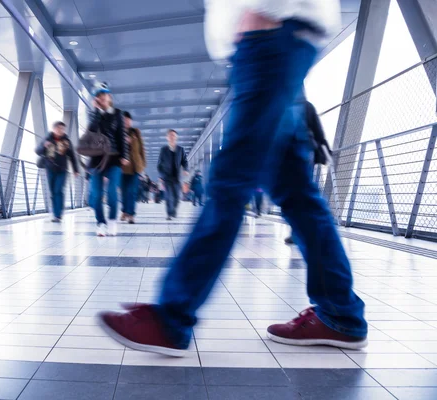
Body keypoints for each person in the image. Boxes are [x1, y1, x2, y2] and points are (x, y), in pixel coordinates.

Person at [98, 1, 368, 357]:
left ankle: (172, 316)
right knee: (297, 193)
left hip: (269, 37)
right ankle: (340, 313)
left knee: (228, 184)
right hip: (271, 41)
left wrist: (263, 12)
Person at [285, 99, 332, 244]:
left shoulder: (280, 102)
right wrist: (325, 150)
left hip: (288, 156)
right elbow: (318, 131)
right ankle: (305, 231)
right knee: (302, 194)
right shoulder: (307, 106)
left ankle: (298, 231)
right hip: (305, 154)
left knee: (293, 196)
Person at [87, 82, 130, 237]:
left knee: (112, 193)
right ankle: (101, 223)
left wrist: (125, 156)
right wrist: (97, 112)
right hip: (96, 160)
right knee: (96, 194)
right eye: (98, 95)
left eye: (104, 94)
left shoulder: (118, 114)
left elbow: (121, 137)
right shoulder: (93, 114)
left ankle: (112, 220)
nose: (101, 97)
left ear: (109, 96)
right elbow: (91, 131)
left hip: (113, 159)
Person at [36, 121, 79, 222]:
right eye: (59, 128)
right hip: (50, 169)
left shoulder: (66, 141)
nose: (61, 131)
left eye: (63, 129)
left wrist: (75, 169)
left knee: (58, 190)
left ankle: (58, 215)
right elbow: (37, 151)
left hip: (62, 170)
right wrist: (44, 146)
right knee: (52, 192)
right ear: (54, 129)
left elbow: (72, 155)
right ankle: (56, 213)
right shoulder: (47, 139)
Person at [120, 112, 146, 224]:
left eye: (128, 119)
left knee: (132, 191)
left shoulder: (136, 132)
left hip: (135, 166)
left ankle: (130, 214)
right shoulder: (117, 133)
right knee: (124, 192)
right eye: (124, 120)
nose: (126, 121)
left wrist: (143, 164)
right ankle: (125, 211)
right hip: (122, 167)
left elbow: (141, 149)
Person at [157, 129, 188, 220]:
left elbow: (184, 161)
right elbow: (159, 165)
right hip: (166, 177)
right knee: (168, 196)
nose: (172, 137)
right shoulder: (163, 150)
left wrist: (185, 169)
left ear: (176, 137)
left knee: (177, 197)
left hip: (177, 178)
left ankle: (174, 211)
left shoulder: (181, 149)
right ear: (167, 137)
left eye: (174, 135)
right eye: (170, 135)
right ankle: (169, 214)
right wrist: (161, 176)